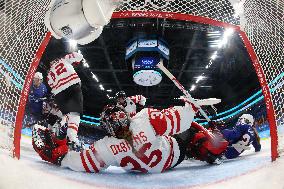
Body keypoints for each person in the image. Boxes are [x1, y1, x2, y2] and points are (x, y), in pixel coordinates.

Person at [32, 99, 228, 173]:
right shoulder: (144, 119)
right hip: (174, 154)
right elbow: (181, 121)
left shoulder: (105, 147)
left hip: (153, 168)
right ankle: (210, 148)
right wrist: (190, 107)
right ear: (125, 116)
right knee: (193, 132)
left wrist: (59, 155)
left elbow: (80, 162)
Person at [47, 51, 84, 151]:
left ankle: (58, 128)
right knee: (75, 114)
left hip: (59, 94)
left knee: (67, 115)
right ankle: (72, 139)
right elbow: (79, 56)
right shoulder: (64, 59)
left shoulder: (49, 74)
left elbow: (51, 86)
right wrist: (76, 63)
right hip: (72, 86)